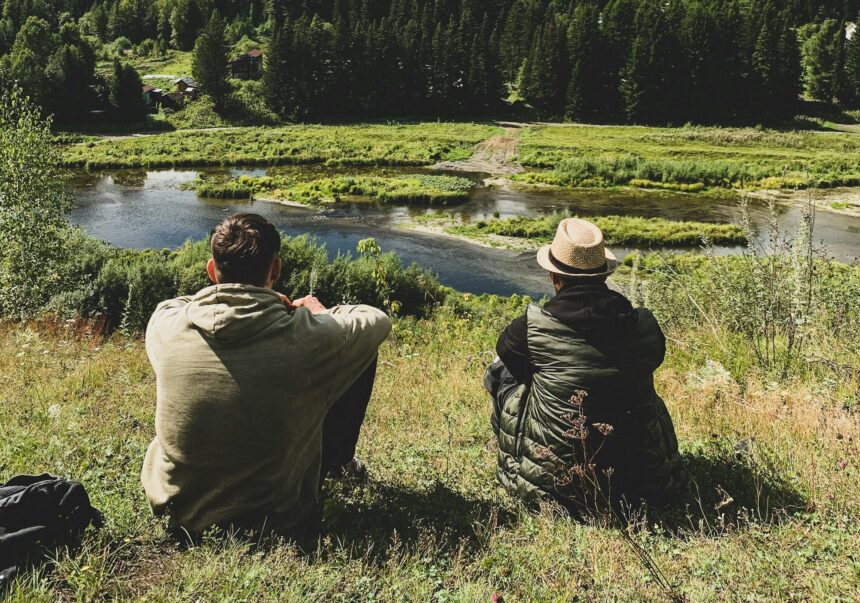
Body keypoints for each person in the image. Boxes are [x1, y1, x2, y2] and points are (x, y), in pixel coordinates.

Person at [141, 213, 391, 535]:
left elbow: (174, 304)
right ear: (275, 269)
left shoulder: (166, 324)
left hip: (176, 507)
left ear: (211, 270)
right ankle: (339, 462)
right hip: (275, 515)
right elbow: (377, 320)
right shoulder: (310, 338)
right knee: (360, 350)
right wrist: (317, 312)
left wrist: (233, 298)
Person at [485, 218, 685, 511]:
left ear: (555, 277)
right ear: (602, 275)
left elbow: (508, 362)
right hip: (644, 485)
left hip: (554, 490)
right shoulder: (644, 325)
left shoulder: (531, 328)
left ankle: (514, 454)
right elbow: (652, 359)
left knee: (500, 371)